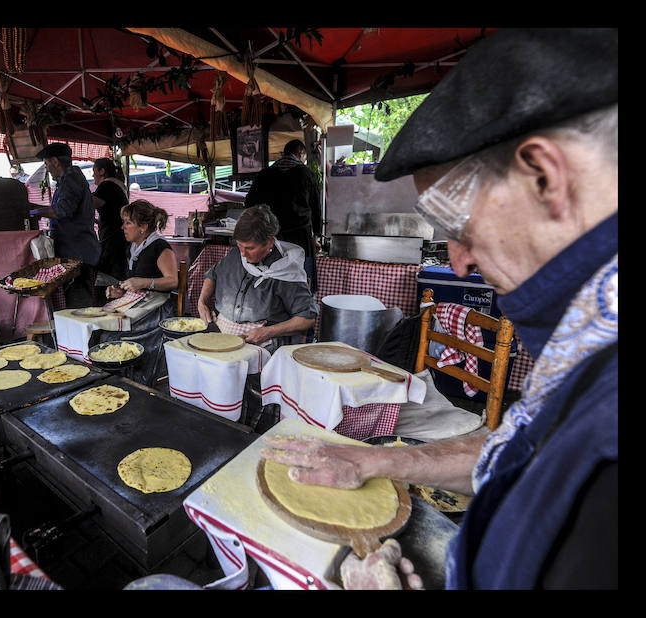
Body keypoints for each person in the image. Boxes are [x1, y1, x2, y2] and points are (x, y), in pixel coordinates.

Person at [261, 28, 617, 590]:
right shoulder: (593, 332)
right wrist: (376, 463)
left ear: (546, 177)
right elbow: (516, 449)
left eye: (460, 228)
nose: (459, 263)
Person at [197, 205, 318, 354]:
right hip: (220, 333)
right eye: (239, 245)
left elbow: (307, 319)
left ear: (270, 242)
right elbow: (212, 275)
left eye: (250, 248)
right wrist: (202, 301)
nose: (243, 253)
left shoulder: (286, 271)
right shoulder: (236, 255)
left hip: (261, 344)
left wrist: (268, 332)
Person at [99, 199, 178, 387]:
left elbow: (172, 280)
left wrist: (143, 282)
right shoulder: (134, 248)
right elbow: (136, 283)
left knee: (109, 337)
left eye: (128, 222)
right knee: (101, 329)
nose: (123, 227)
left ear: (143, 227)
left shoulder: (160, 247)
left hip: (158, 309)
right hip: (141, 305)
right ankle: (116, 382)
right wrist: (120, 290)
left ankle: (128, 384)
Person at [29, 142, 101, 308]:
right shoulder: (68, 180)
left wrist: (33, 213)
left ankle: (86, 334)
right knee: (75, 304)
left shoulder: (71, 179)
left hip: (78, 253)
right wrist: (34, 208)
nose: (47, 169)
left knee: (79, 307)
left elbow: (61, 211)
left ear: (55, 161)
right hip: (76, 251)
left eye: (46, 164)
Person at [244, 139, 322, 292]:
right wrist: (316, 237)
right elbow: (316, 209)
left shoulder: (265, 174)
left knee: (273, 279)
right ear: (300, 154)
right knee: (302, 280)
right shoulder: (307, 174)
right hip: (300, 238)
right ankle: (301, 309)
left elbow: (249, 202)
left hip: (271, 238)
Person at [92, 157, 129, 283]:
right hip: (119, 237)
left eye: (94, 170)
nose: (92, 175)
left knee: (112, 278)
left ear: (102, 171)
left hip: (113, 239)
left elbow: (88, 204)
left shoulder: (107, 185)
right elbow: (112, 212)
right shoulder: (117, 185)